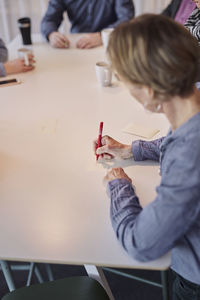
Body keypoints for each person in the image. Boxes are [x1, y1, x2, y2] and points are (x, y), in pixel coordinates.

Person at [94, 14, 200, 300]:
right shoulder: (193, 102)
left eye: (127, 82)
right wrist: (132, 150)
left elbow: (140, 242)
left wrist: (118, 185)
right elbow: (179, 138)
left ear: (150, 90)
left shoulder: (190, 156)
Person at [41, 0, 135, 49]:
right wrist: (51, 34)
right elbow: (48, 20)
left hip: (110, 45)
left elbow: (127, 19)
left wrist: (102, 36)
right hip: (76, 47)